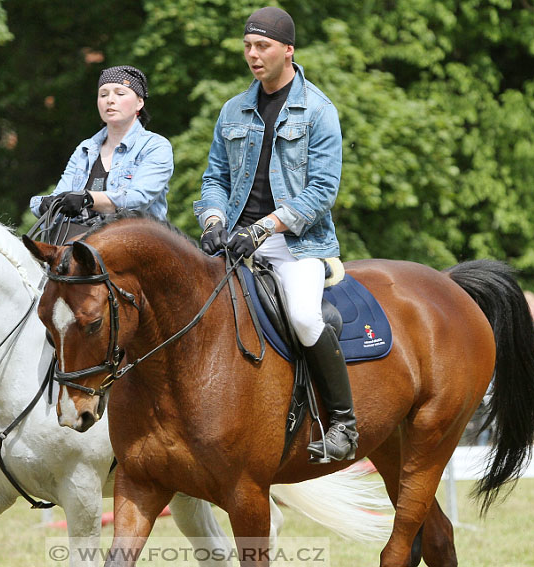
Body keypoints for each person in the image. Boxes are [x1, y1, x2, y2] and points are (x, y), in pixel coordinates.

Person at [195, 7, 355, 463]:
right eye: (247, 46)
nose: (252, 54)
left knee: (305, 317)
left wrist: (265, 228)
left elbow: (323, 190)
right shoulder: (233, 109)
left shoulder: (320, 110)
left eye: (262, 46)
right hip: (234, 239)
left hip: (296, 244)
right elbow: (215, 177)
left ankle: (343, 423)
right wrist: (212, 221)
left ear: (288, 49)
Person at [29, 65, 173, 224]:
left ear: (139, 103)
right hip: (76, 240)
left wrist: (88, 199)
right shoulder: (85, 148)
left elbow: (139, 199)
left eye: (120, 93)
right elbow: (60, 194)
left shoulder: (155, 146)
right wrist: (45, 204)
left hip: (133, 240)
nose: (110, 100)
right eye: (103, 94)